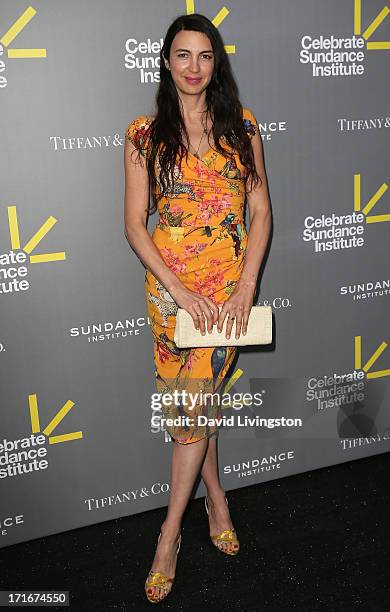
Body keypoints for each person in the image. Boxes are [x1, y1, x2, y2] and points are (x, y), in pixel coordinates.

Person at [124, 12, 271, 604]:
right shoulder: (143, 133)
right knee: (196, 409)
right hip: (172, 297)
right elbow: (136, 225)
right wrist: (179, 291)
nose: (193, 67)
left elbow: (260, 212)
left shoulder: (242, 126)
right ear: (166, 61)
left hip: (227, 300)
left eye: (204, 56)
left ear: (217, 63)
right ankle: (218, 500)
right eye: (182, 55)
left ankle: (167, 536)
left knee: (191, 411)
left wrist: (246, 285)